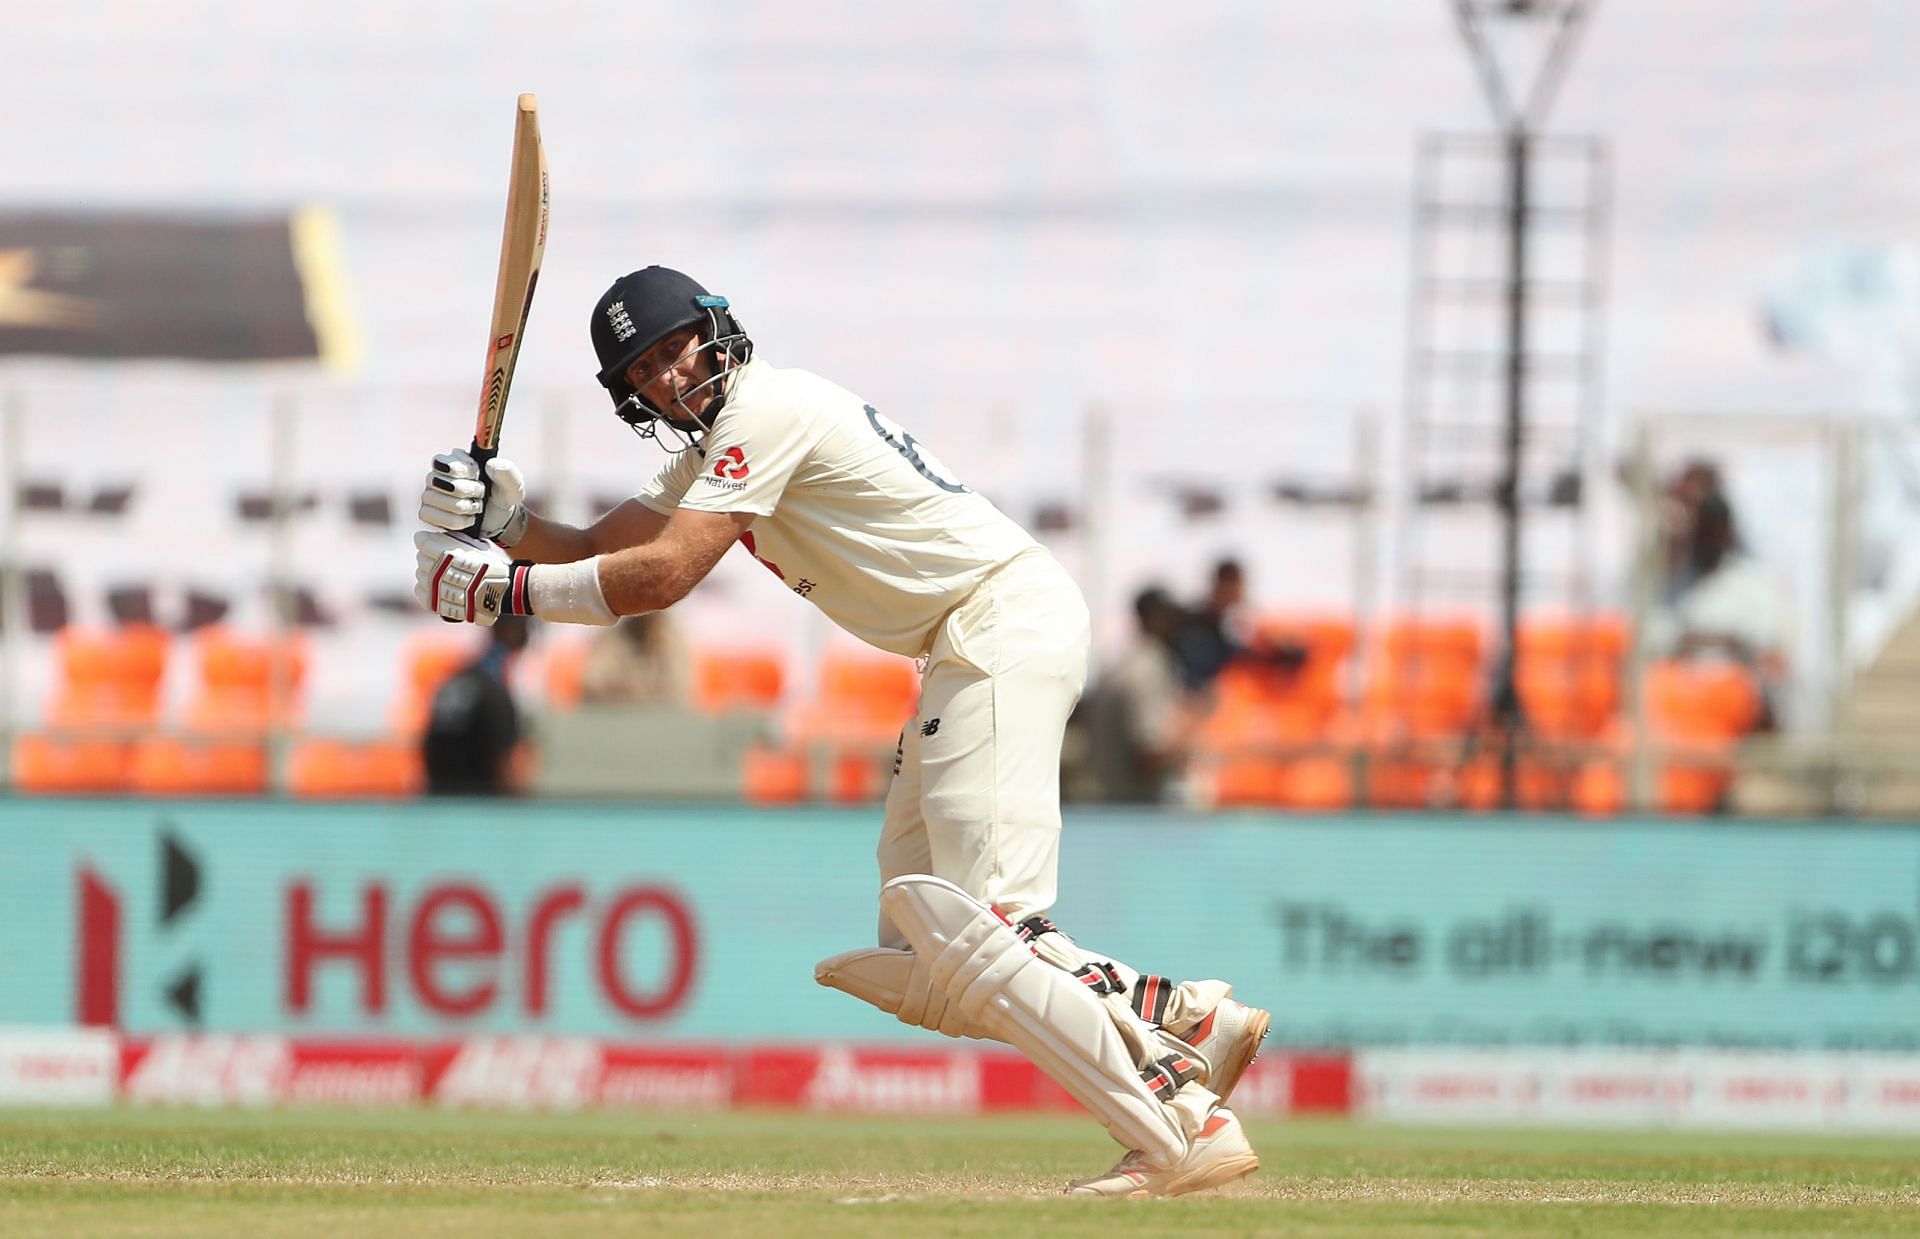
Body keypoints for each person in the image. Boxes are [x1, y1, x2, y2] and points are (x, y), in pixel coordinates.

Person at [412, 266, 1266, 1197]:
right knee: (923, 938)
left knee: (985, 929)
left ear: (714, 329)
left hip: (997, 623)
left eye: (672, 349)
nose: (666, 375)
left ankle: (1181, 1122)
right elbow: (598, 551)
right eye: (643, 370)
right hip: (968, 640)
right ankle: (1180, 1019)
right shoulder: (714, 449)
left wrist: (495, 589)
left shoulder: (766, 411)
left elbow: (661, 578)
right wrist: (504, 522)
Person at [1081, 586, 1196, 803]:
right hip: (1130, 807)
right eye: (1168, 617)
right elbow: (1149, 755)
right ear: (1149, 618)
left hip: (1108, 801)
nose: (1175, 625)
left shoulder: (1123, 661)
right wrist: (1194, 733)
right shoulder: (1146, 669)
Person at [421, 614, 531, 795]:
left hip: (440, 797)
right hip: (478, 802)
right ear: (506, 629)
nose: (528, 633)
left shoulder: (459, 677)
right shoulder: (493, 685)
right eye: (524, 626)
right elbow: (501, 760)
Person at [579, 612, 692, 706]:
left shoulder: (670, 638)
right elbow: (593, 682)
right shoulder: (615, 638)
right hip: (618, 719)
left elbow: (679, 688)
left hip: (661, 721)